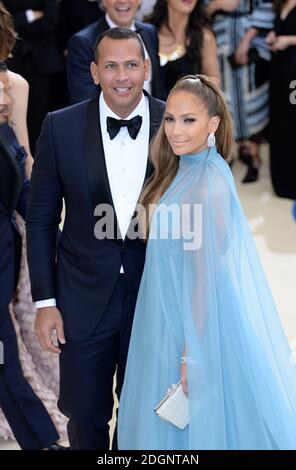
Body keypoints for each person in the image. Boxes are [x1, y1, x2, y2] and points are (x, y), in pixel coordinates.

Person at [118, 74, 296, 450]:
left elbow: (204, 276)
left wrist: (190, 353)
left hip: (191, 322)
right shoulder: (186, 166)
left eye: (189, 120)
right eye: (170, 119)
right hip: (170, 312)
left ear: (213, 124)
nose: (175, 131)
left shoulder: (208, 183)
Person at [26, 27, 165, 450]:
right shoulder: (60, 126)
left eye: (130, 64)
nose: (121, 76)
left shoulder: (174, 124)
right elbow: (41, 219)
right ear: (93, 71)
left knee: (145, 414)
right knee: (84, 417)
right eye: (110, 66)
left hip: (155, 298)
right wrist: (45, 303)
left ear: (146, 68)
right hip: (82, 298)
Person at [0, 65, 66, 450]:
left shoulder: (6, 131)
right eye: (0, 94)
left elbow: (25, 193)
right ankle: (42, 441)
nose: (8, 100)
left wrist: (60, 239)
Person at [205, 0, 274, 182]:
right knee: (224, 98)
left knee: (251, 99)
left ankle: (253, 156)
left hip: (251, 44)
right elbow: (200, 9)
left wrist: (247, 40)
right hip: (220, 43)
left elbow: (267, 7)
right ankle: (231, 152)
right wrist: (216, 5)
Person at [66, 0, 165, 103]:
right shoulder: (83, 42)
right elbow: (84, 102)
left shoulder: (150, 32)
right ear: (103, 2)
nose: (122, 1)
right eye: (110, 66)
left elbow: (158, 89)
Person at [3, 0, 64, 153]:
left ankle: (39, 157)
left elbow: (50, 22)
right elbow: (7, 22)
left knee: (41, 117)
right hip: (14, 61)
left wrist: (21, 20)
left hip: (44, 64)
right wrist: (31, 15)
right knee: (11, 115)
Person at [145, 0, 220, 98]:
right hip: (147, 111)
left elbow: (215, 83)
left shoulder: (204, 38)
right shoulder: (145, 33)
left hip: (187, 111)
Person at [266, 0, 296, 199]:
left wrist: (290, 40)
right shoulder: (280, 4)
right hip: (279, 68)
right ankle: (282, 180)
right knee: (279, 122)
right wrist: (273, 37)